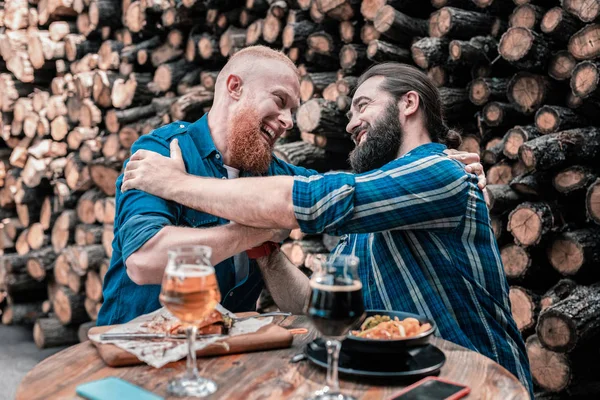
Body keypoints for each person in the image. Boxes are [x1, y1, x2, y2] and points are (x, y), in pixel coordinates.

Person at [121, 61, 533, 397]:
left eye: (363, 105)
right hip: (399, 381)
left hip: (475, 381)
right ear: (233, 87)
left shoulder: (439, 169)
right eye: (350, 111)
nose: (351, 123)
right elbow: (317, 307)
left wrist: (175, 184)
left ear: (409, 103)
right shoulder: (370, 208)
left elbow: (308, 199)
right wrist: (265, 247)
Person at [97, 45, 482, 325]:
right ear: (234, 87)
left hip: (222, 354)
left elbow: (340, 196)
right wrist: (256, 229)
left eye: (293, 112)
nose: (288, 121)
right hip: (140, 346)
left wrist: (431, 169)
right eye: (280, 101)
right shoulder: (163, 152)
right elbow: (144, 262)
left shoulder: (272, 174)